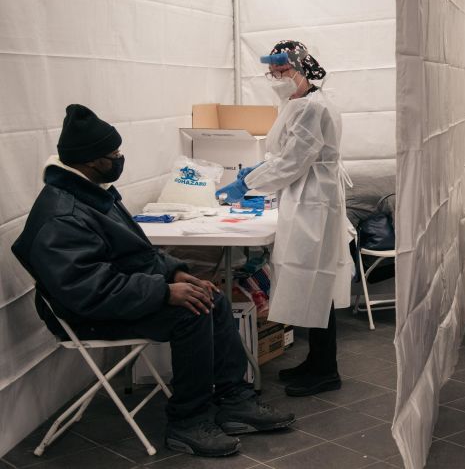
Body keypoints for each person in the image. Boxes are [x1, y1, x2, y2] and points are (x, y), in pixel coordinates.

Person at [11, 104, 294, 457]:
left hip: (119, 294)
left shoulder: (93, 196)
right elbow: (87, 290)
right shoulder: (61, 216)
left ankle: (234, 399)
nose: (119, 159)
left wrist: (175, 273)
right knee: (192, 311)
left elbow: (139, 254)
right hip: (84, 316)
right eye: (113, 154)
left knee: (211, 295)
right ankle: (187, 422)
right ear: (90, 160)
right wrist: (164, 292)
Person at [217, 41, 354, 397]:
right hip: (305, 198)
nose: (276, 78)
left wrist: (247, 183)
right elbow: (285, 155)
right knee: (310, 283)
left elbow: (292, 162)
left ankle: (327, 370)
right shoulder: (297, 103)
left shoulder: (312, 107)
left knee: (316, 284)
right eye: (273, 72)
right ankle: (317, 362)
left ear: (301, 69)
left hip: (314, 203)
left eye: (282, 71)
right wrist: (259, 171)